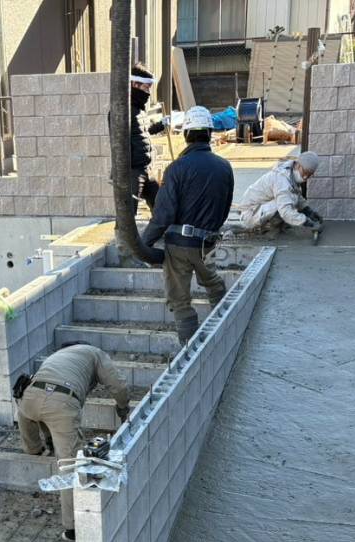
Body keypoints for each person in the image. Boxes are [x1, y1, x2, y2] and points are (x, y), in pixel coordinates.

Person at [141, 105, 235, 345]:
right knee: (213, 283)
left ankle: (189, 351)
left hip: (180, 246)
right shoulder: (224, 167)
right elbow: (225, 208)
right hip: (207, 243)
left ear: (186, 134)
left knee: (180, 299)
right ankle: (225, 329)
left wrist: (143, 243)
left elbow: (163, 215)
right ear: (210, 133)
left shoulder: (177, 168)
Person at [16, 345, 129, 542]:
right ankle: (73, 528)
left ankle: (34, 448)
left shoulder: (60, 355)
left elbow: (43, 398)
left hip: (29, 397)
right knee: (70, 465)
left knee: (30, 410)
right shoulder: (96, 354)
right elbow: (118, 386)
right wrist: (123, 406)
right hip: (61, 403)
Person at [236, 151, 323, 232]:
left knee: (290, 199)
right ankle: (266, 227)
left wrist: (308, 211)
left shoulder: (290, 172)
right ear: (298, 165)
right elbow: (286, 211)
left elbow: (296, 194)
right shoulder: (281, 180)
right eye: (305, 172)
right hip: (249, 214)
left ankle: (273, 225)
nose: (305, 177)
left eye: (309, 175)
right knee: (286, 204)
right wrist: (307, 222)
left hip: (258, 208)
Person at [129, 63, 167, 214]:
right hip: (132, 172)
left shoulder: (139, 111)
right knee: (128, 214)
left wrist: (161, 125)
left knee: (160, 206)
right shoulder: (123, 112)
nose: (148, 93)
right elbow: (118, 145)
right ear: (134, 84)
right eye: (146, 88)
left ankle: (160, 227)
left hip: (146, 169)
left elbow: (144, 132)